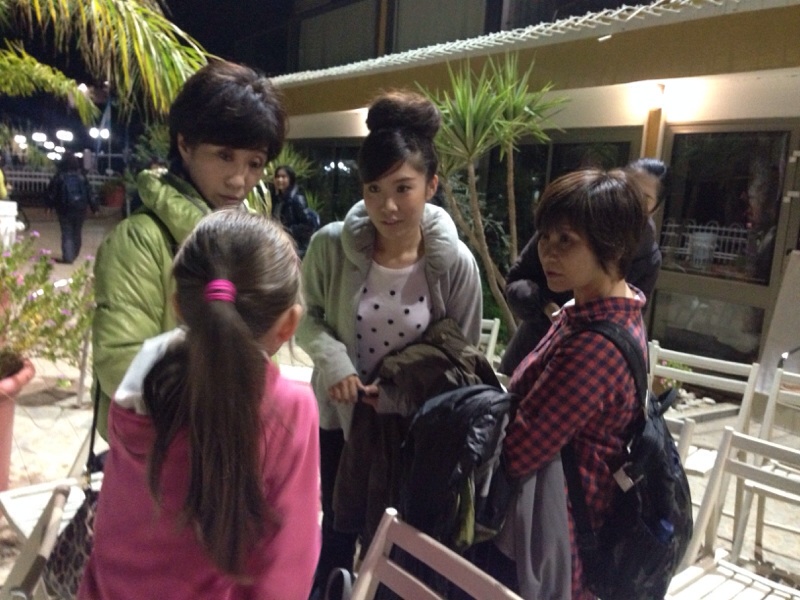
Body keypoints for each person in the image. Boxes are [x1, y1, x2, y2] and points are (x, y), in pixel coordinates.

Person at [296, 90, 483, 598]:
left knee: (399, 549)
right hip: (341, 422)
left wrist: (400, 395)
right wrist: (335, 362)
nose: (388, 206)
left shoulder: (454, 264)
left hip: (413, 432)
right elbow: (306, 318)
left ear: (432, 185)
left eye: (404, 187)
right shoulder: (331, 246)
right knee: (336, 535)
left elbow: (463, 362)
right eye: (374, 189)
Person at [79, 210, 320, 599]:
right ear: (290, 323)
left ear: (178, 305)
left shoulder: (143, 379)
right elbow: (288, 565)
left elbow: (113, 524)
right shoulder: (289, 408)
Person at [92, 60, 286, 438]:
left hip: (233, 442)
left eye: (254, 163)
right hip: (158, 449)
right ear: (185, 144)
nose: (239, 180)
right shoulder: (140, 240)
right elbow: (120, 363)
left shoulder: (253, 241)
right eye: (224, 156)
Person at [498, 168, 648, 599]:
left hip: (551, 541)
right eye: (545, 237)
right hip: (549, 523)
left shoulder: (595, 347)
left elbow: (518, 452)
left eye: (566, 240)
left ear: (612, 245)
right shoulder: (592, 310)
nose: (547, 251)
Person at [498, 157, 667, 376]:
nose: (630, 198)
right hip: (532, 348)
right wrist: (545, 306)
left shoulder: (645, 260)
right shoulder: (569, 222)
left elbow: (627, 318)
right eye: (627, 186)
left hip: (585, 363)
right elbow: (516, 280)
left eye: (643, 198)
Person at [45, 153, 98, 264]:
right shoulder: (81, 177)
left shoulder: (59, 176)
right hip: (80, 207)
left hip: (64, 208)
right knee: (77, 231)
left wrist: (49, 206)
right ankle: (74, 254)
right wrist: (94, 208)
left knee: (67, 232)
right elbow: (90, 193)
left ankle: (68, 256)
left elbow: (52, 193)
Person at [272, 164, 316, 257]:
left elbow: (308, 225)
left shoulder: (296, 199)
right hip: (282, 245)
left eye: (283, 177)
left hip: (295, 249)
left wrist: (287, 230)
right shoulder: (278, 199)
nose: (280, 179)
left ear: (290, 179)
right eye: (277, 176)